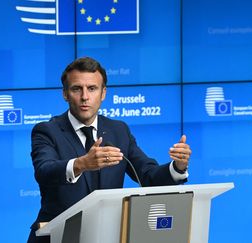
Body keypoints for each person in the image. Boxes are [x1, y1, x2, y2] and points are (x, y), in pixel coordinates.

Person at [27, 57, 191, 243]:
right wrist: (82, 164)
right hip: (56, 237)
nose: (84, 97)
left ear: (103, 93)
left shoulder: (118, 130)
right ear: (65, 94)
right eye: (76, 89)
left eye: (92, 88)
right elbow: (44, 171)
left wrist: (177, 167)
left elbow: (147, 175)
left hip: (106, 236)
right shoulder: (47, 131)